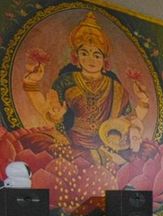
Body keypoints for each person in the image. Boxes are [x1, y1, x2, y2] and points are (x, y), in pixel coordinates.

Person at [21, 11, 149, 164]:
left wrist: (143, 101)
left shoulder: (115, 87)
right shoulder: (65, 81)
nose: (91, 59)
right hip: (70, 141)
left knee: (142, 155)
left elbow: (129, 118)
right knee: (33, 142)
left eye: (97, 55)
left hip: (106, 143)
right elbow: (48, 111)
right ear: (76, 57)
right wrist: (32, 84)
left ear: (104, 61)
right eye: (84, 53)